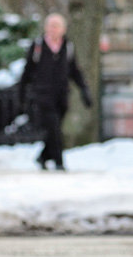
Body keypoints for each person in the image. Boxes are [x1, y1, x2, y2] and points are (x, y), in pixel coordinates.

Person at [18, 12, 92, 171]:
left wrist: (84, 90)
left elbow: (75, 71)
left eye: (57, 26)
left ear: (63, 29)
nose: (54, 29)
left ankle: (43, 156)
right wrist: (21, 95)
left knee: (55, 129)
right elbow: (27, 72)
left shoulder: (68, 47)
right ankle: (59, 161)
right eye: (51, 26)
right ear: (46, 28)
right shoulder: (38, 46)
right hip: (43, 95)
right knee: (53, 127)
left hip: (62, 95)